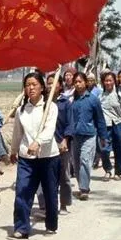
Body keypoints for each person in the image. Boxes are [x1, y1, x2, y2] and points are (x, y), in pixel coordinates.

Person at [9, 72, 61, 240]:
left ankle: (51, 223)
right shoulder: (21, 110)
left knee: (50, 193)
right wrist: (14, 150)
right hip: (26, 158)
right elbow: (18, 133)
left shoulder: (51, 107)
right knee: (22, 191)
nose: (30, 88)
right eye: (27, 85)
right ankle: (21, 228)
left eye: (34, 84)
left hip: (48, 156)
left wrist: (38, 142)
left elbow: (49, 130)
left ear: (42, 87)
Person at [37, 74, 74, 215]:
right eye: (48, 83)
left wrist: (65, 139)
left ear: (60, 85)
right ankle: (45, 206)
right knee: (44, 176)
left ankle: (64, 204)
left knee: (64, 176)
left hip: (61, 143)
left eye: (53, 83)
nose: (50, 86)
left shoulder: (65, 103)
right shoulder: (42, 103)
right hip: (45, 143)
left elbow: (70, 124)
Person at [69, 72, 108, 200]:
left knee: (85, 160)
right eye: (75, 82)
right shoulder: (72, 100)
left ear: (85, 83)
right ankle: (82, 184)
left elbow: (100, 119)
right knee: (76, 163)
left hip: (89, 136)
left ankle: (84, 189)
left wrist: (103, 137)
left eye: (80, 81)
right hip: (75, 136)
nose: (77, 84)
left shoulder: (93, 100)